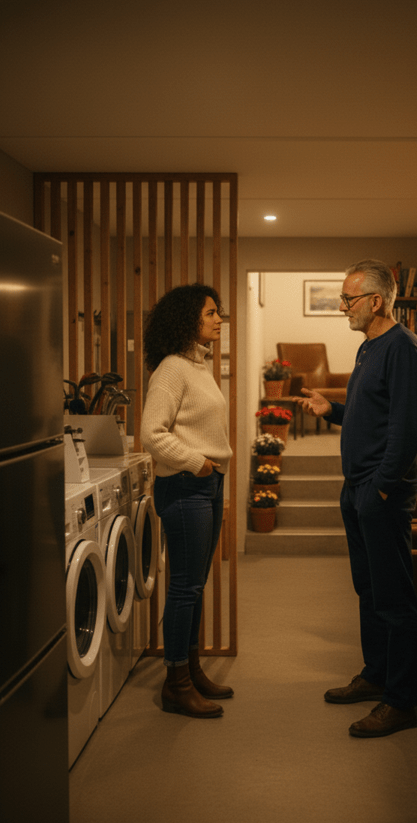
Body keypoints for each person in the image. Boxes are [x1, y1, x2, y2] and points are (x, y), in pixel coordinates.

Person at [294, 260, 417, 738]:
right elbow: (371, 415)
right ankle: (375, 675)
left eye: (348, 299)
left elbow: (406, 429)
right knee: (369, 591)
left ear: (376, 301)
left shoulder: (403, 348)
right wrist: (332, 410)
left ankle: (400, 701)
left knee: (394, 599)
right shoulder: (370, 347)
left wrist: (382, 487)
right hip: (358, 488)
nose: (342, 307)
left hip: (381, 492)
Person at [141, 283, 234, 718]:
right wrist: (197, 463)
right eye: (211, 313)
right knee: (185, 587)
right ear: (188, 320)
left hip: (206, 485)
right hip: (185, 486)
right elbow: (152, 434)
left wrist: (209, 471)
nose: (219, 319)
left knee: (193, 585)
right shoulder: (172, 369)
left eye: (218, 313)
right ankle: (175, 683)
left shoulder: (199, 366)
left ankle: (191, 669)